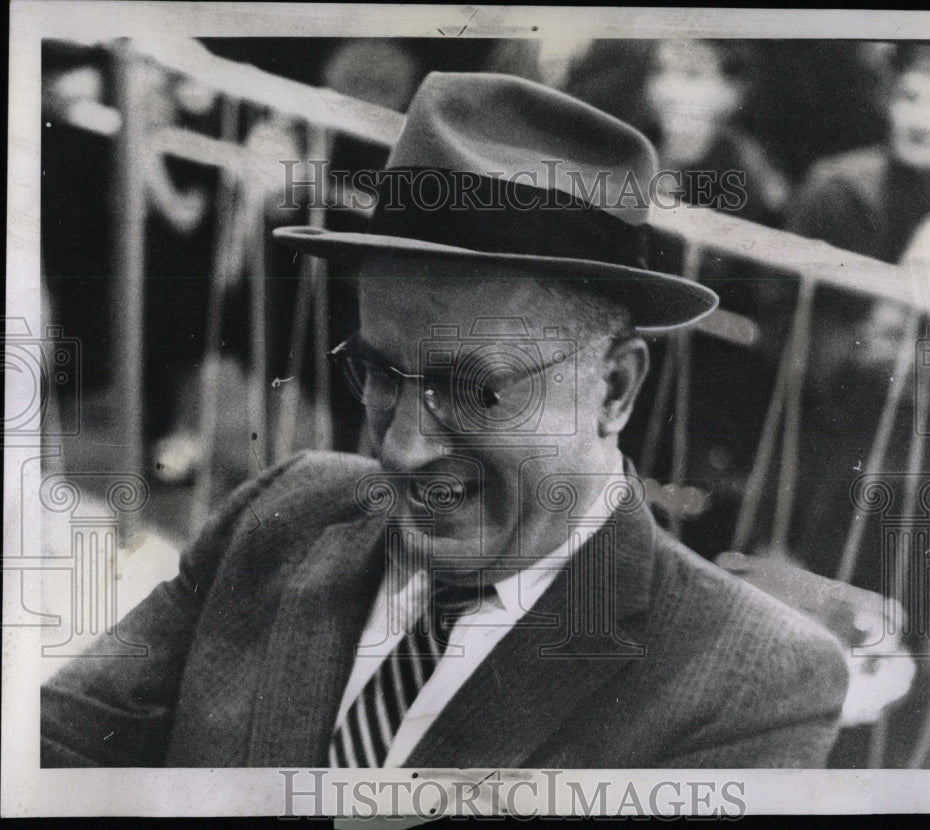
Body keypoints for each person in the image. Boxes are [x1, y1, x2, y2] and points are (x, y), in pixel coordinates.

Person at [41, 72, 848, 769]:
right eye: (377, 375)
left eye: (474, 392)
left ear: (615, 388)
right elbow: (56, 759)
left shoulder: (751, 683)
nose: (399, 447)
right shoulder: (283, 510)